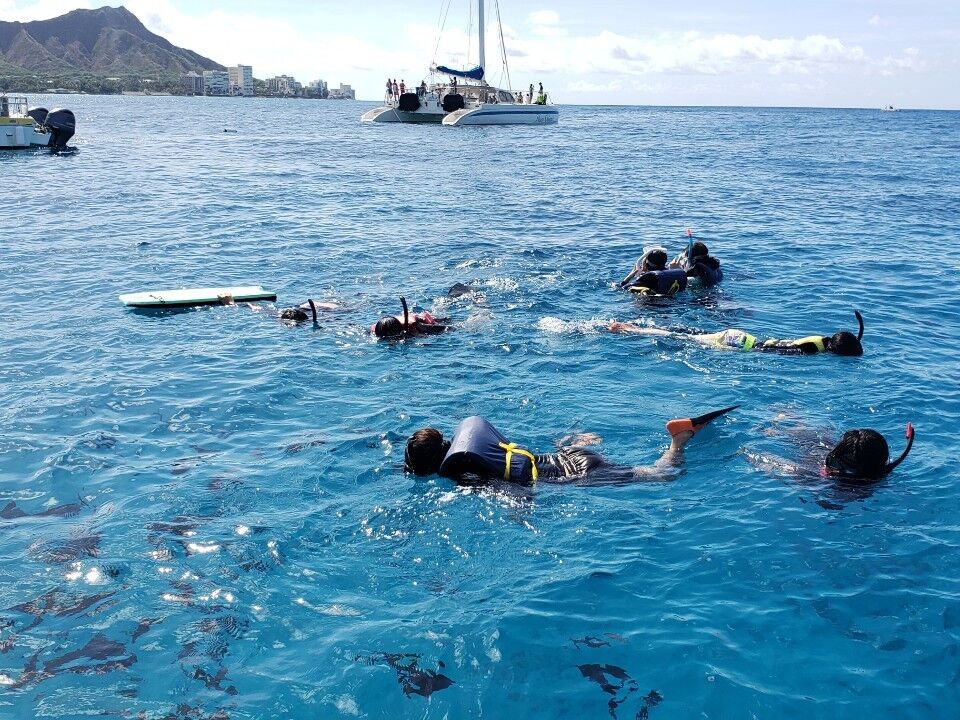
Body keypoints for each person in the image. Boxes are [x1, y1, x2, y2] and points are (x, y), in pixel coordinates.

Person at [404, 406, 737, 485]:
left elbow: (510, 490)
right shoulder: (468, 439)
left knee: (662, 475)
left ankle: (677, 442)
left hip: (574, 474)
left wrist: (521, 515)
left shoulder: (465, 471)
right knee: (561, 449)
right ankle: (575, 439)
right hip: (565, 456)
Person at [745, 413, 914, 485]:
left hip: (820, 471)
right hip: (845, 467)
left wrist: (750, 457)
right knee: (814, 439)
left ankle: (781, 426)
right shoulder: (878, 470)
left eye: (832, 460)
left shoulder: (831, 485)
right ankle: (787, 421)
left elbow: (777, 468)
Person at [610, 311, 865, 356]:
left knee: (687, 333)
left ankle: (635, 327)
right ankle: (630, 330)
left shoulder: (821, 339)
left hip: (743, 337)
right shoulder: (813, 350)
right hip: (740, 346)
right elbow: (781, 353)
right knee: (682, 338)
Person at [372, 297, 453, 339]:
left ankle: (444, 302)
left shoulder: (415, 325)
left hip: (422, 319)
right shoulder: (379, 329)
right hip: (405, 318)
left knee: (445, 319)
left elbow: (446, 328)